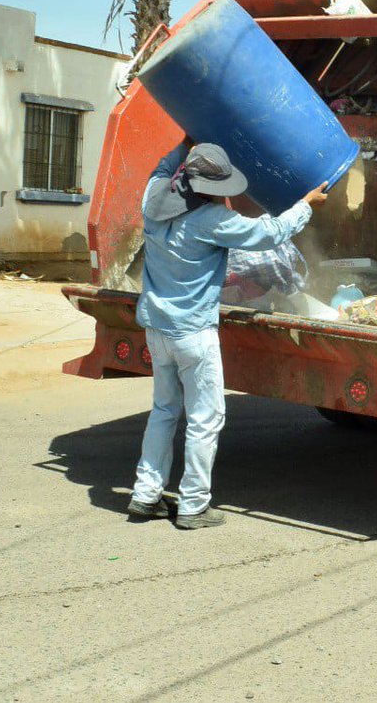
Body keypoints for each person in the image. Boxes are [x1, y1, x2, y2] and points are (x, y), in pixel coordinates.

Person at [126, 138, 328, 529]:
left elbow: (160, 169)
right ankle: (193, 505)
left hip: (157, 327)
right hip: (193, 333)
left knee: (164, 411)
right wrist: (306, 205)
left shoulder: (153, 200)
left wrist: (183, 144)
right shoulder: (210, 221)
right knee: (206, 418)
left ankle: (145, 495)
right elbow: (269, 234)